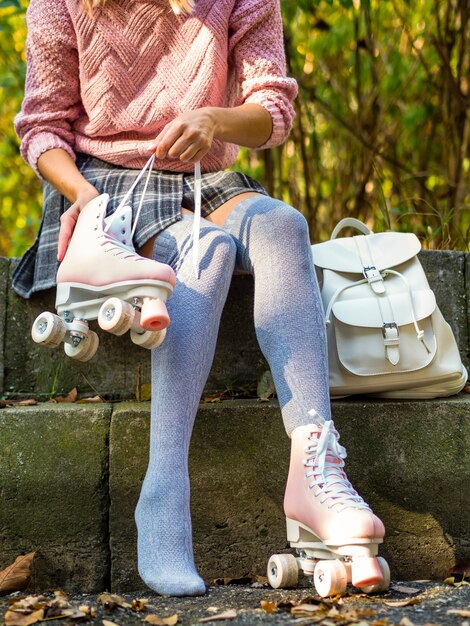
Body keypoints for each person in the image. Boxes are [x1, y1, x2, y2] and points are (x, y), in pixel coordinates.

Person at [14, 0, 386, 598]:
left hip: (207, 173)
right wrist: (87, 205)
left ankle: (316, 467)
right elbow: (43, 128)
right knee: (208, 251)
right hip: (107, 182)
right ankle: (163, 493)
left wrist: (214, 119)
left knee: (283, 225)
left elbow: (273, 110)